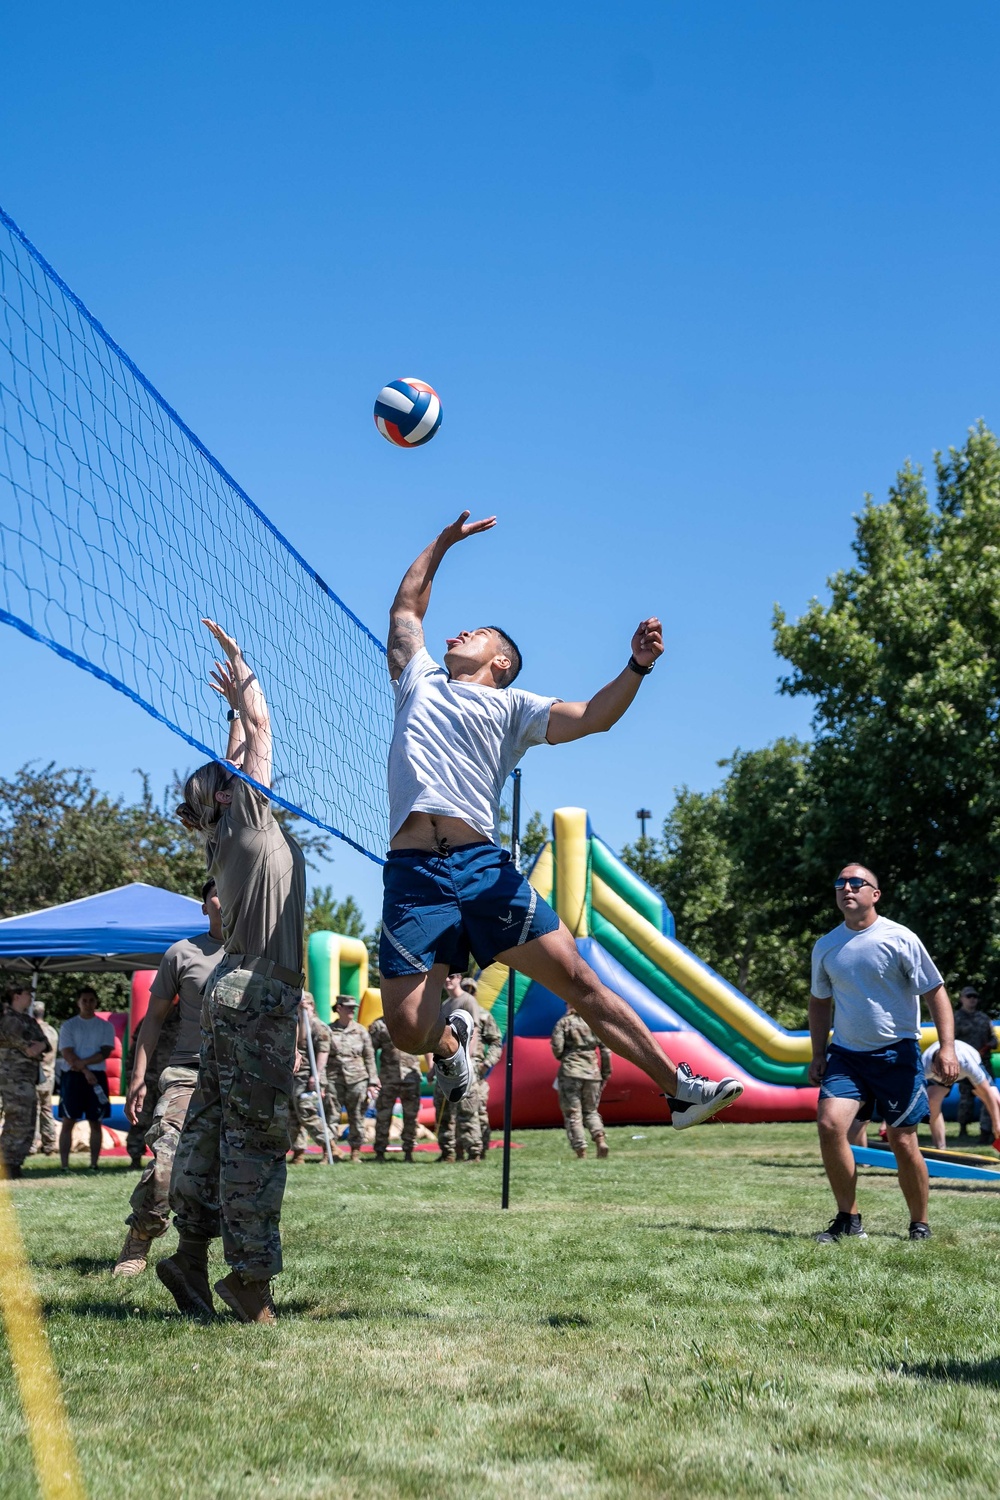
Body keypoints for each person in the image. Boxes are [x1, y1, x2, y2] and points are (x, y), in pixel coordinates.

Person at [378, 511, 742, 1131]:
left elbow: (595, 715)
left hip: (480, 868)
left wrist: (637, 665)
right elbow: (406, 610)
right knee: (409, 1031)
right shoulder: (420, 679)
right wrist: (443, 543)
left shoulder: (516, 707)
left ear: (500, 663)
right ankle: (452, 1042)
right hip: (414, 872)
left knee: (579, 979)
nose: (461, 632)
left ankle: (678, 1087)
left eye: (481, 633)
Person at [161, 619, 306, 1325]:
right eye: (232, 774)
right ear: (227, 794)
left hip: (231, 987)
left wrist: (231, 716)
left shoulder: (227, 827)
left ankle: (188, 1256)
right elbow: (262, 727)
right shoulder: (247, 815)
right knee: (255, 1138)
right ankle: (249, 1284)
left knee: (211, 1127)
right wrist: (242, 667)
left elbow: (239, 746)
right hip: (261, 989)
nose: (241, 770)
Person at [809, 864, 959, 1243]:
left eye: (857, 883)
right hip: (846, 1055)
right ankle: (848, 1219)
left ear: (875, 894)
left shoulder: (900, 938)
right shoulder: (826, 945)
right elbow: (818, 1002)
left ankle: (919, 1223)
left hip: (897, 1054)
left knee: (902, 1139)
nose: (847, 888)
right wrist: (817, 1053)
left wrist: (947, 1046)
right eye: (840, 882)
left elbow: (935, 991)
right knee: (829, 1126)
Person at [113, 879, 225, 1277]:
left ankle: (197, 1254)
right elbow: (154, 1020)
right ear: (204, 906)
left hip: (237, 1075)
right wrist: (138, 1078)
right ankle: (139, 1238)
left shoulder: (259, 953)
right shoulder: (182, 953)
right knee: (166, 1158)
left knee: (225, 1171)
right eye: (216, 892)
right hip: (187, 1072)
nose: (224, 897)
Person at [58, 988, 115, 1170]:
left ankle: (94, 1164)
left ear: (96, 1002)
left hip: (96, 1075)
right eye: (84, 1000)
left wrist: (85, 1065)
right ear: (78, 1002)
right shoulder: (69, 1025)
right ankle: (64, 1165)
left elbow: (105, 1051)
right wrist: (85, 1070)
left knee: (96, 1121)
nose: (88, 1004)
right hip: (73, 1077)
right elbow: (67, 1052)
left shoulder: (105, 1026)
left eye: (91, 1000)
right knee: (68, 1120)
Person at [551, 1003, 613, 1159]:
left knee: (573, 1114)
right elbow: (606, 1051)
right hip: (592, 1073)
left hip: (571, 1072)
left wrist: (564, 1055)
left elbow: (557, 1048)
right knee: (591, 1111)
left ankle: (581, 1151)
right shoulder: (593, 1021)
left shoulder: (564, 1022)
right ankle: (600, 1141)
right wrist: (605, 1073)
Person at [0, 986, 50, 1178]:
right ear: (16, 996)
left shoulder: (27, 1020)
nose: (31, 997)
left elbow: (46, 1043)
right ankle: (7, 1164)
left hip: (26, 1078)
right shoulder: (9, 1020)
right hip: (13, 1078)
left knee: (28, 1120)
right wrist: (40, 1046)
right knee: (17, 1119)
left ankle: (15, 1163)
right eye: (28, 994)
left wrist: (42, 1045)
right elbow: (31, 1049)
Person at [922, 1039, 1000, 1152]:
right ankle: (941, 1148)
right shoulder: (925, 1064)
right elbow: (906, 1093)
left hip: (966, 1063)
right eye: (941, 1073)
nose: (948, 1079)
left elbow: (988, 1094)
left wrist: (996, 1123)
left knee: (996, 1100)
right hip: (942, 1064)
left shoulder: (967, 1063)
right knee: (932, 1100)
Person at [368, 1011, 426, 1162]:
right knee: (383, 1115)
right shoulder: (379, 1025)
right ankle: (380, 1151)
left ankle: (409, 1151)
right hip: (388, 1078)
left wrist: (432, 1068)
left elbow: (428, 1043)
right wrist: (373, 1076)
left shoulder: (416, 1021)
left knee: (411, 1116)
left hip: (410, 1077)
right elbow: (369, 1052)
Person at [327, 996, 378, 1161]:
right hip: (334, 1079)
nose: (352, 1010)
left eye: (353, 1008)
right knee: (331, 1116)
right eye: (348, 1007)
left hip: (357, 1080)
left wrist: (372, 1081)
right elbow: (322, 1056)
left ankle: (355, 1151)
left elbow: (369, 1057)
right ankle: (331, 1151)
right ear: (339, 1008)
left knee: (357, 1116)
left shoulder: (361, 1031)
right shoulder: (328, 1030)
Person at [288, 994, 335, 1163]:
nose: (300, 1008)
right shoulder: (296, 1025)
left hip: (309, 1075)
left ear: (312, 1005)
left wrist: (316, 1076)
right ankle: (299, 1152)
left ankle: (329, 1145)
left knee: (306, 1111)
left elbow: (323, 1052)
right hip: (294, 1076)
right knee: (293, 1115)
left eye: (304, 1005)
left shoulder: (317, 1026)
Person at [462, 979, 502, 1150]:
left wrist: (487, 1063)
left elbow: (495, 1042)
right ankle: (455, 1148)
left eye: (471, 991)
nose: (469, 993)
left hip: (476, 1067)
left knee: (478, 1108)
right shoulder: (451, 1012)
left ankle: (480, 1147)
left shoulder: (483, 1015)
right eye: (466, 990)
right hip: (456, 1066)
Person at [953, 987, 997, 1142]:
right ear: (962, 998)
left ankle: (986, 1131)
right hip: (964, 1065)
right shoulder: (955, 1018)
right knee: (966, 1099)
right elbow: (950, 1040)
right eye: (969, 996)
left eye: (975, 996)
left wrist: (988, 1046)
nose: (972, 999)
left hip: (983, 1064)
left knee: (988, 1097)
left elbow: (994, 1039)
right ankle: (963, 1128)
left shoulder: (984, 1018)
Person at [30, 1000, 59, 1157]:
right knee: (47, 1110)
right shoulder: (52, 1031)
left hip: (36, 1075)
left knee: (34, 1110)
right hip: (49, 1076)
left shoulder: (33, 1031)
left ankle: (32, 1144)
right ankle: (49, 1144)